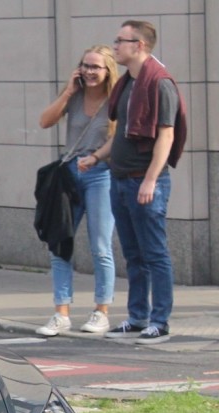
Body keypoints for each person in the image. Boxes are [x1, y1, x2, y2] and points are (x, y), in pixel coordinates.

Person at [79, 20, 187, 344]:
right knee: (133, 254)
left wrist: (150, 181)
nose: (115, 46)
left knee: (155, 254)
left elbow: (166, 136)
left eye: (120, 41)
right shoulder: (127, 83)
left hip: (144, 182)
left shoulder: (159, 82)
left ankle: (160, 321)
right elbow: (123, 134)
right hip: (119, 179)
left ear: (138, 45)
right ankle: (138, 316)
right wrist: (97, 157)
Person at [35, 45, 118, 337]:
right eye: (85, 65)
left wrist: (95, 158)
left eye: (96, 67)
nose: (90, 72)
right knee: (60, 245)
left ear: (108, 70)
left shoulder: (116, 99)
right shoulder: (76, 95)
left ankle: (101, 311)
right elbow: (45, 121)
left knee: (100, 246)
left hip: (101, 176)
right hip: (69, 175)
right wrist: (68, 92)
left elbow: (119, 139)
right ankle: (61, 313)